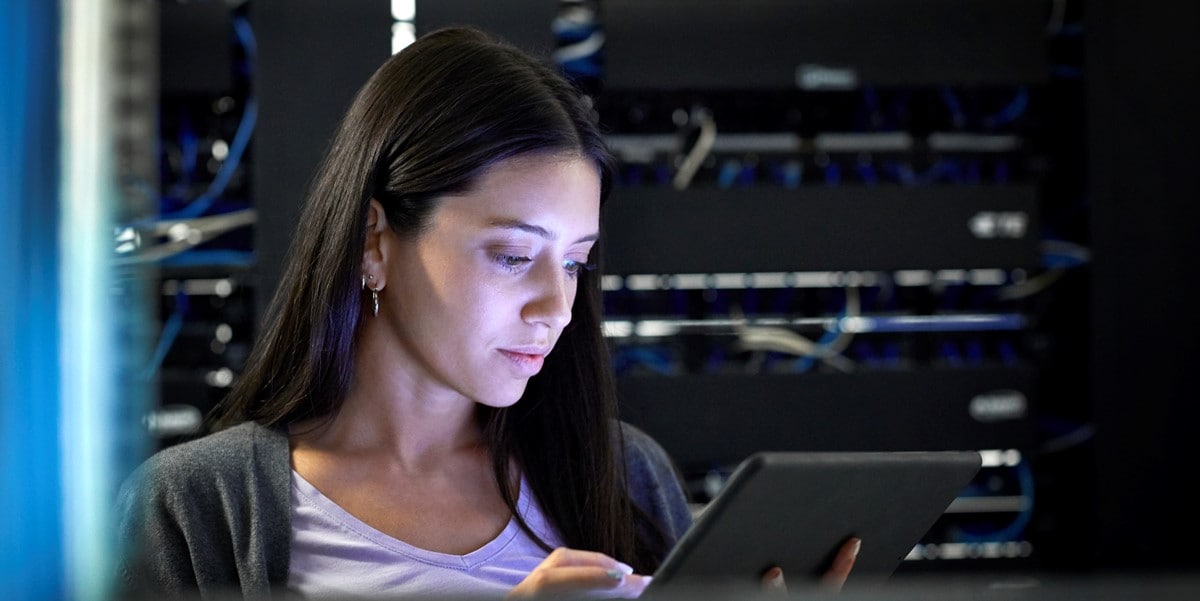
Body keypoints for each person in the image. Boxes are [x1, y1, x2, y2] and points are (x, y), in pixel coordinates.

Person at [114, 25, 857, 600]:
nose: (558, 306)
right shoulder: (196, 507)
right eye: (511, 255)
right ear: (375, 241)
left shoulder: (623, 473)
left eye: (575, 261)